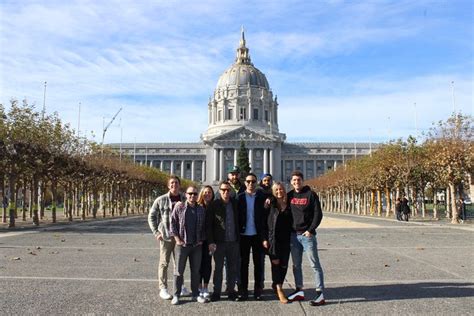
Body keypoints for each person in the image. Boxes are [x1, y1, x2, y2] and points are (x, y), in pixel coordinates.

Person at [287, 170, 325, 306]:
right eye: (294, 180)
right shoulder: (289, 195)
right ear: (291, 182)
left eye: (299, 180)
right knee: (296, 265)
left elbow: (318, 214)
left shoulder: (311, 195)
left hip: (307, 236)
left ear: (302, 181)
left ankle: (320, 293)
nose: (296, 182)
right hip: (293, 235)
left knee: (315, 264)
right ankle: (299, 290)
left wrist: (310, 230)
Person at [170, 185, 208, 305]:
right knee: (179, 271)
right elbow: (173, 223)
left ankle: (195, 294)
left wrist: (202, 239)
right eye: (190, 194)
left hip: (196, 245)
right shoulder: (179, 207)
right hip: (182, 245)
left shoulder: (201, 209)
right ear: (186, 194)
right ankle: (176, 294)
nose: (192, 196)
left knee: (195, 271)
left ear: (197, 196)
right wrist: (177, 239)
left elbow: (204, 226)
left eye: (195, 194)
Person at [148, 175, 184, 300]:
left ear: (180, 185)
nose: (174, 185)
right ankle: (163, 288)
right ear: (169, 186)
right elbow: (151, 216)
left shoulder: (185, 198)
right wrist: (156, 232)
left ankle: (180, 286)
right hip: (166, 236)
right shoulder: (161, 199)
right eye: (172, 183)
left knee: (179, 263)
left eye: (176, 183)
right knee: (164, 263)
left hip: (180, 236)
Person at [206, 180, 240, 301]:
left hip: (233, 241)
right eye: (223, 190)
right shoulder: (214, 205)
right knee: (218, 268)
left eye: (228, 190)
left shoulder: (235, 204)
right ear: (219, 191)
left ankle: (231, 291)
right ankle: (216, 292)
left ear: (231, 191)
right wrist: (211, 241)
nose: (226, 192)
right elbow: (208, 226)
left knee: (232, 268)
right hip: (219, 242)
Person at [236, 173, 266, 301]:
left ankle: (258, 290)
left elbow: (266, 217)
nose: (250, 184)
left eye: (253, 181)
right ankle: (243, 291)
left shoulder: (262, 197)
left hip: (257, 235)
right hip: (243, 235)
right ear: (245, 183)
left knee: (258, 264)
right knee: (243, 264)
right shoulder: (240, 197)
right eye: (248, 181)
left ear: (256, 182)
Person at [262, 182, 292, 304]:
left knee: (284, 265)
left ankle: (276, 284)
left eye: (281, 189)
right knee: (276, 263)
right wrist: (264, 239)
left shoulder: (289, 204)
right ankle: (279, 289)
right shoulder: (269, 204)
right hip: (273, 239)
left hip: (286, 239)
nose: (279, 191)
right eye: (276, 190)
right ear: (273, 192)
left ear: (284, 190)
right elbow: (263, 222)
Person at [197, 185, 215, 299]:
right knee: (198, 264)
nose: (207, 194)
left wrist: (212, 242)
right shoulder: (197, 206)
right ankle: (199, 287)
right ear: (202, 194)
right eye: (205, 192)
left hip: (210, 241)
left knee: (207, 264)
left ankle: (206, 287)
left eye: (209, 192)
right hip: (198, 241)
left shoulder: (214, 206)